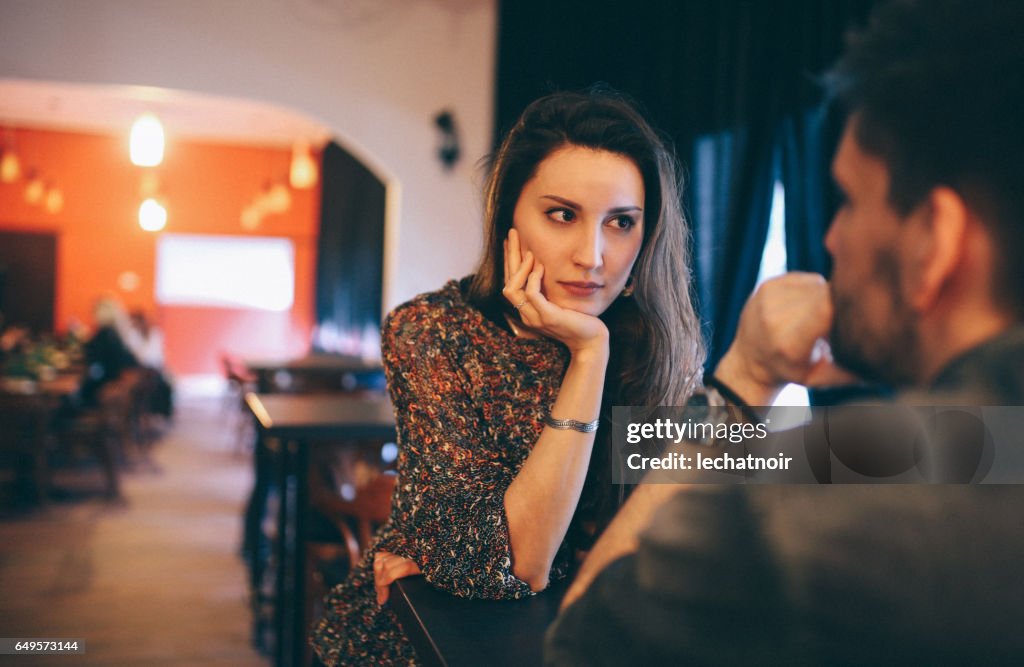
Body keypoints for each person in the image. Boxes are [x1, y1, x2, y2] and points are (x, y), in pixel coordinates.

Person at [545, 0, 1024, 664]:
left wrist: (741, 380)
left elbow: (581, 640)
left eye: (850, 200)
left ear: (934, 243)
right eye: (562, 214)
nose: (828, 236)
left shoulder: (797, 517)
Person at [310, 88, 708, 665]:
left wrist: (765, 386)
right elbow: (519, 561)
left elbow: (769, 467)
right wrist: (588, 356)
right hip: (432, 642)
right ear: (508, 219)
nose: (593, 255)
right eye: (562, 215)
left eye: (621, 222)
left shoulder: (658, 345)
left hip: (584, 635)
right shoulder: (433, 331)